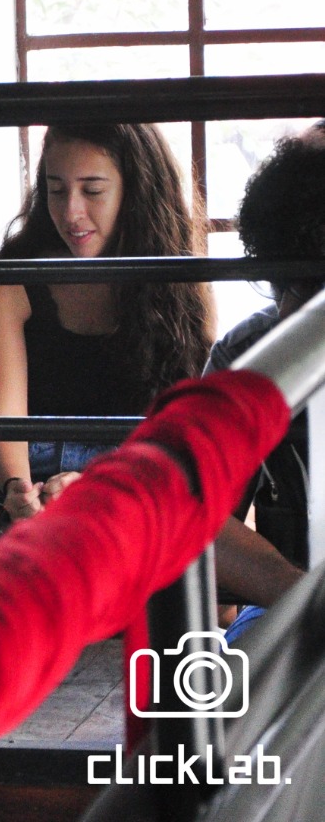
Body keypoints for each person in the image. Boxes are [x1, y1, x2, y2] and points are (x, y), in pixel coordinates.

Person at [0, 124, 214, 523]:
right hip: (35, 483)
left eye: (92, 191)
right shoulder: (11, 280)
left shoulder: (178, 281)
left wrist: (98, 484)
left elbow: (185, 439)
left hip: (136, 483)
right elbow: (4, 428)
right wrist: (18, 491)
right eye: (56, 190)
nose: (71, 212)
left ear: (135, 193)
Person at [204, 120, 324, 635]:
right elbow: (201, 519)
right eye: (285, 284)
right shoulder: (245, 353)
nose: (293, 307)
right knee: (239, 670)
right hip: (284, 610)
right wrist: (301, 595)